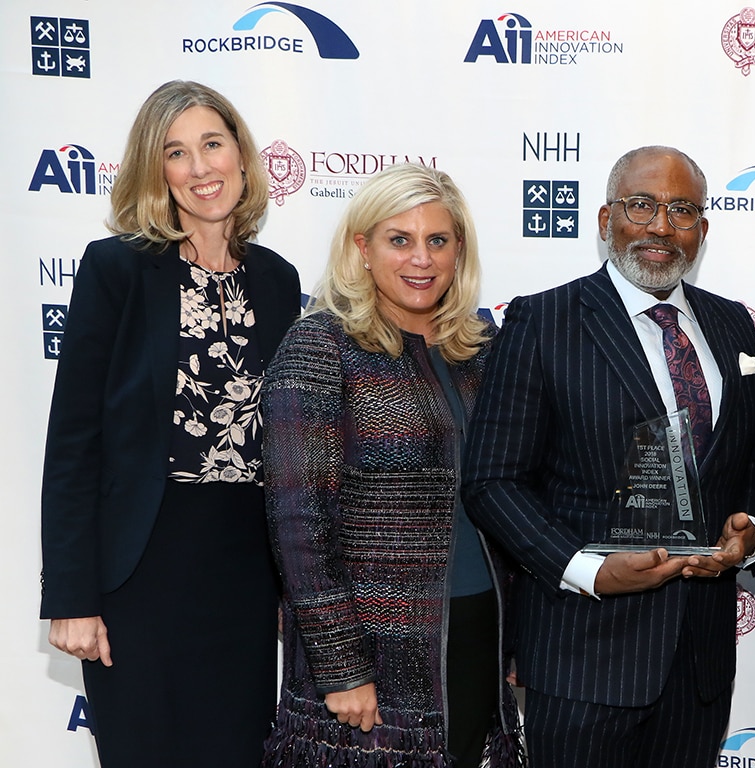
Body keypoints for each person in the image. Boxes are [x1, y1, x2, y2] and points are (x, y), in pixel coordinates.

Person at [462, 145, 755, 768]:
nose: (661, 226)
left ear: (703, 229)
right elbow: (492, 481)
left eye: (681, 211)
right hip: (585, 654)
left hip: (700, 661)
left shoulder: (732, 325)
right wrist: (587, 568)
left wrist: (753, 532)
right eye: (641, 206)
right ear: (606, 219)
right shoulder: (542, 320)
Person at [39, 80, 301, 768]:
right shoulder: (117, 269)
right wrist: (71, 596)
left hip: (242, 572)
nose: (199, 168)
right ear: (156, 171)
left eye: (212, 144)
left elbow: (288, 442)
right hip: (138, 574)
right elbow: (73, 441)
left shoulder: (277, 280)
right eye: (175, 153)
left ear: (242, 156)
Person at [260, 163, 522, 767]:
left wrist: (519, 645)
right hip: (370, 643)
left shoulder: (480, 351)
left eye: (438, 240)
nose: (421, 259)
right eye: (399, 240)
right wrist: (338, 663)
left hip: (479, 625)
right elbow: (298, 524)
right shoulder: (321, 348)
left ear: (460, 251)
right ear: (363, 247)